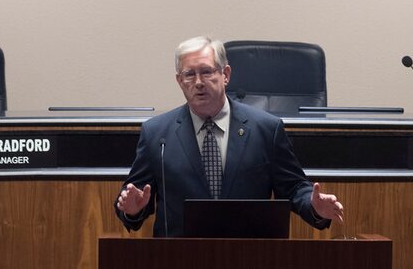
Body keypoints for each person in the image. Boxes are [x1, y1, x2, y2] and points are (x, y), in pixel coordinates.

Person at [115, 36, 344, 237]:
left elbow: (294, 188)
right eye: (189, 74)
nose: (198, 82)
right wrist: (132, 209)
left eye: (206, 72)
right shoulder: (157, 134)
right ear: (179, 81)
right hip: (179, 258)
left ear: (225, 74)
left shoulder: (266, 129)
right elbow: (133, 198)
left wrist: (314, 207)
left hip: (250, 256)